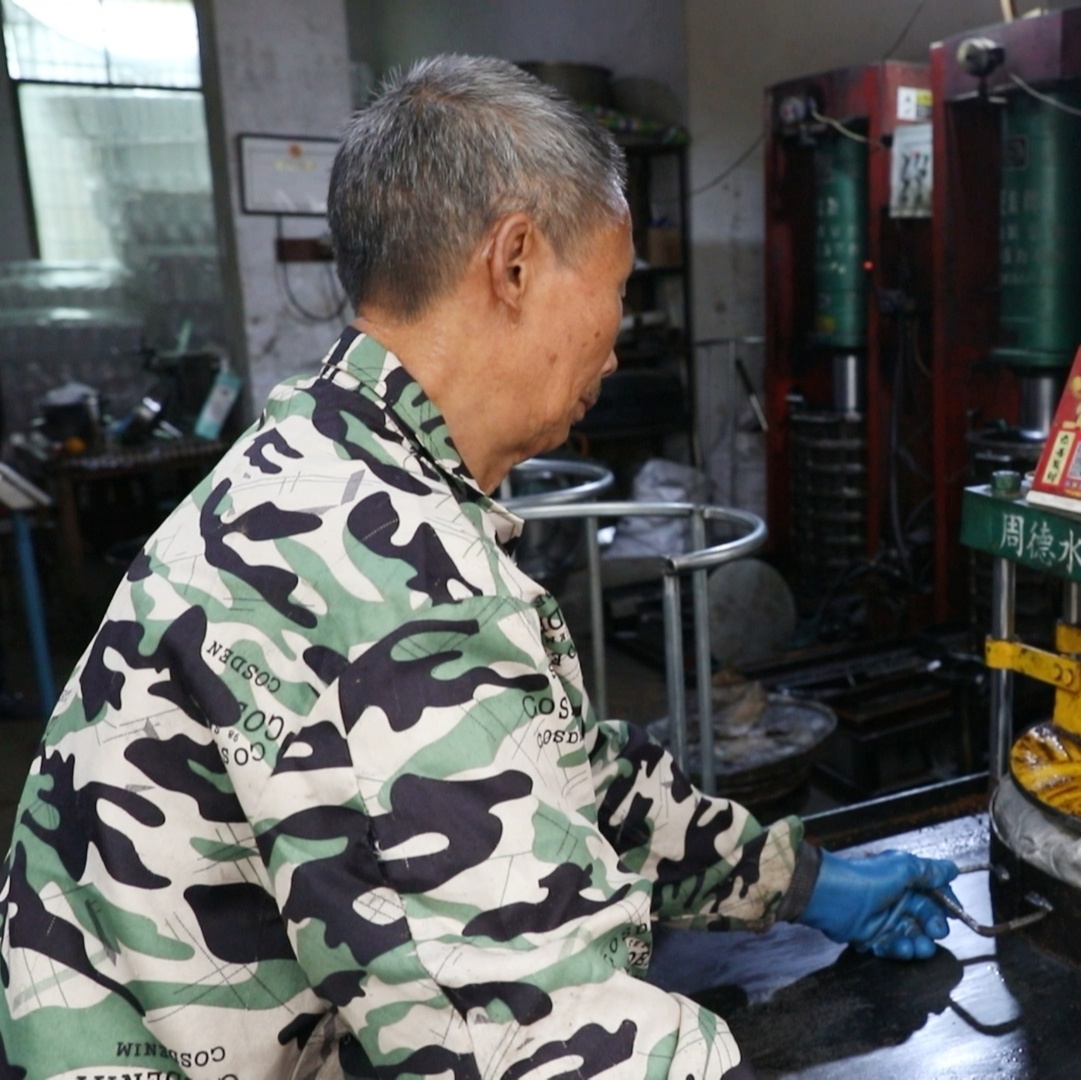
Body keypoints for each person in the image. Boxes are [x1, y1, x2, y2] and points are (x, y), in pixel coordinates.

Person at [0, 55, 955, 1080]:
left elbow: (565, 771)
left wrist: (801, 879)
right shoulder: (385, 584)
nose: (618, 344)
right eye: (617, 292)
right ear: (514, 263)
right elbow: (538, 1038)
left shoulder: (332, 455)